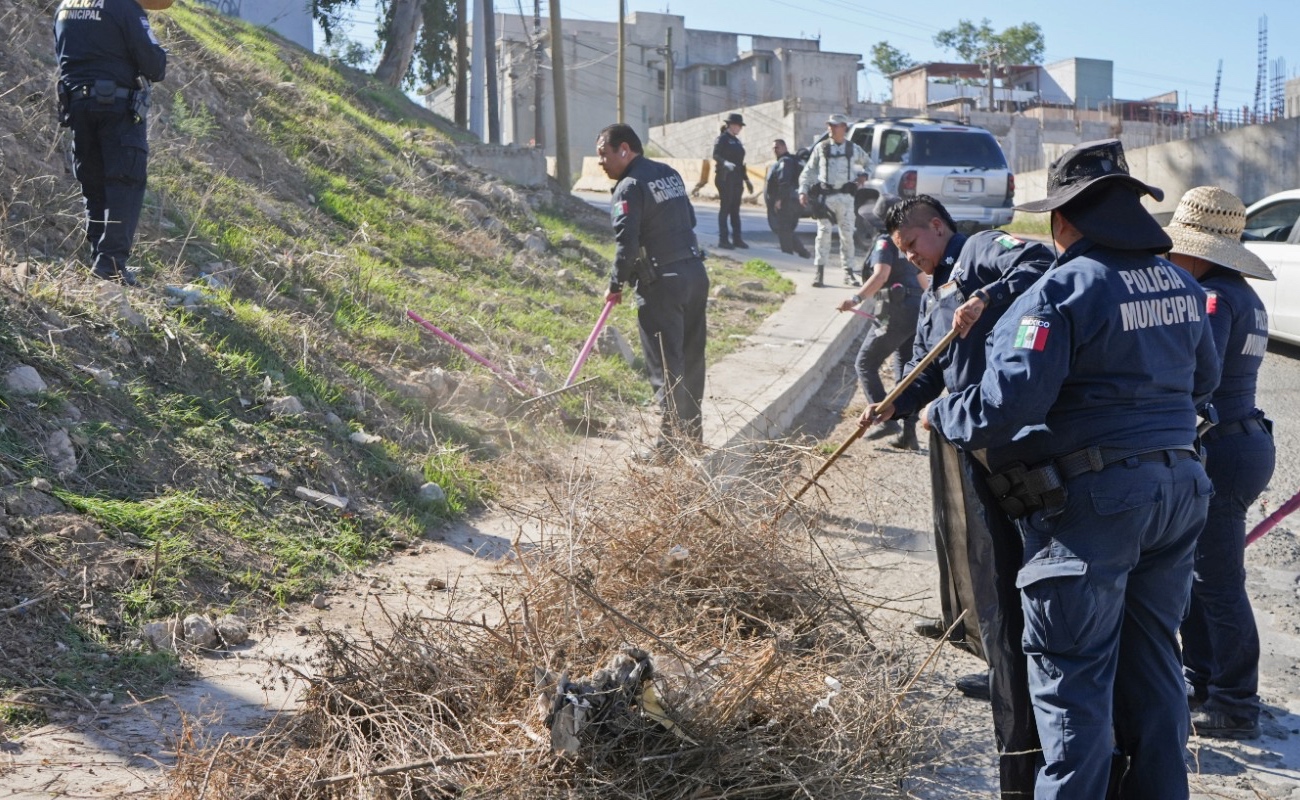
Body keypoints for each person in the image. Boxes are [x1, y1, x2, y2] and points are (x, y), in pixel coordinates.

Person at [925, 139, 1220, 799]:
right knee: (1154, 669)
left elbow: (1008, 405)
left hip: (1097, 508)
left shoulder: (1065, 286)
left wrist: (946, 414)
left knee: (1073, 679)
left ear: (1064, 221)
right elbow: (1206, 380)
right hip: (1179, 490)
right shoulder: (1177, 281)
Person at [864, 195, 1050, 798]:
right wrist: (899, 400)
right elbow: (929, 364)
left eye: (913, 242)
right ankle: (1000, 668)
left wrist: (985, 298)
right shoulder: (932, 291)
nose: (911, 254)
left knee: (1012, 566)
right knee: (976, 562)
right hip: (961, 438)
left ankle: (1024, 687)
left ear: (937, 226)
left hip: (1008, 438)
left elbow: (1041, 260)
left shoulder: (980, 250)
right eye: (902, 249)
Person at [1163, 187, 1276, 741]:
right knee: (1201, 575)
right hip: (1241, 441)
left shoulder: (1212, 298)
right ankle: (1205, 680)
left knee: (1218, 579)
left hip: (1224, 448)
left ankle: (1235, 701)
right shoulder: (1241, 293)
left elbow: (1192, 373)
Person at [596, 123, 709, 463]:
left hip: (661, 285)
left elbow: (626, 243)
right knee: (691, 361)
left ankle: (669, 448)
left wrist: (615, 284)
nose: (601, 161)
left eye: (604, 153)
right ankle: (692, 440)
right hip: (694, 275)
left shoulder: (628, 186)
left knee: (665, 367)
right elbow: (687, 217)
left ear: (625, 150)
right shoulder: (668, 173)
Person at [54, 0, 168, 287]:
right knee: (124, 181)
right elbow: (155, 66)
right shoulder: (123, 6)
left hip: (77, 107)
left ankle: (99, 260)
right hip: (117, 109)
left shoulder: (65, 6)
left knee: (94, 185)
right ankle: (111, 266)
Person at [837, 195, 922, 448]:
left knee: (864, 363)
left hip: (894, 312)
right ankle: (909, 434)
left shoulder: (885, 242)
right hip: (915, 311)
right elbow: (923, 281)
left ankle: (888, 421)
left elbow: (881, 274)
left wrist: (855, 298)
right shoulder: (906, 243)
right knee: (904, 373)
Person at [799, 114, 870, 287]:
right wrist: (803, 190)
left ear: (844, 127)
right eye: (830, 125)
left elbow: (869, 163)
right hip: (826, 199)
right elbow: (808, 170)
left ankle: (849, 273)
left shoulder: (853, 149)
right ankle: (819, 273)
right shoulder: (821, 148)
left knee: (847, 236)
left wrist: (863, 175)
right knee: (823, 235)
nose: (831, 128)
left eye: (835, 126)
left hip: (846, 198)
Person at [712, 112, 752, 250]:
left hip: (737, 178)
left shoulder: (737, 141)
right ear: (731, 125)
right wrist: (725, 162)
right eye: (738, 125)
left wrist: (746, 179)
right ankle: (723, 239)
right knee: (726, 208)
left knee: (735, 209)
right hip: (725, 177)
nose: (740, 128)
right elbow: (715, 155)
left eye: (741, 126)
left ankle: (737, 239)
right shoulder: (722, 139)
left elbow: (741, 163)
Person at [765, 139, 810, 258]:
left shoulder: (785, 162)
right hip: (796, 201)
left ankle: (787, 255)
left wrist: (779, 200)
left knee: (784, 230)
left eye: (777, 147)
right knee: (787, 230)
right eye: (774, 148)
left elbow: (784, 182)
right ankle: (803, 253)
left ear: (784, 147)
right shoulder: (795, 161)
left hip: (788, 201)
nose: (775, 150)